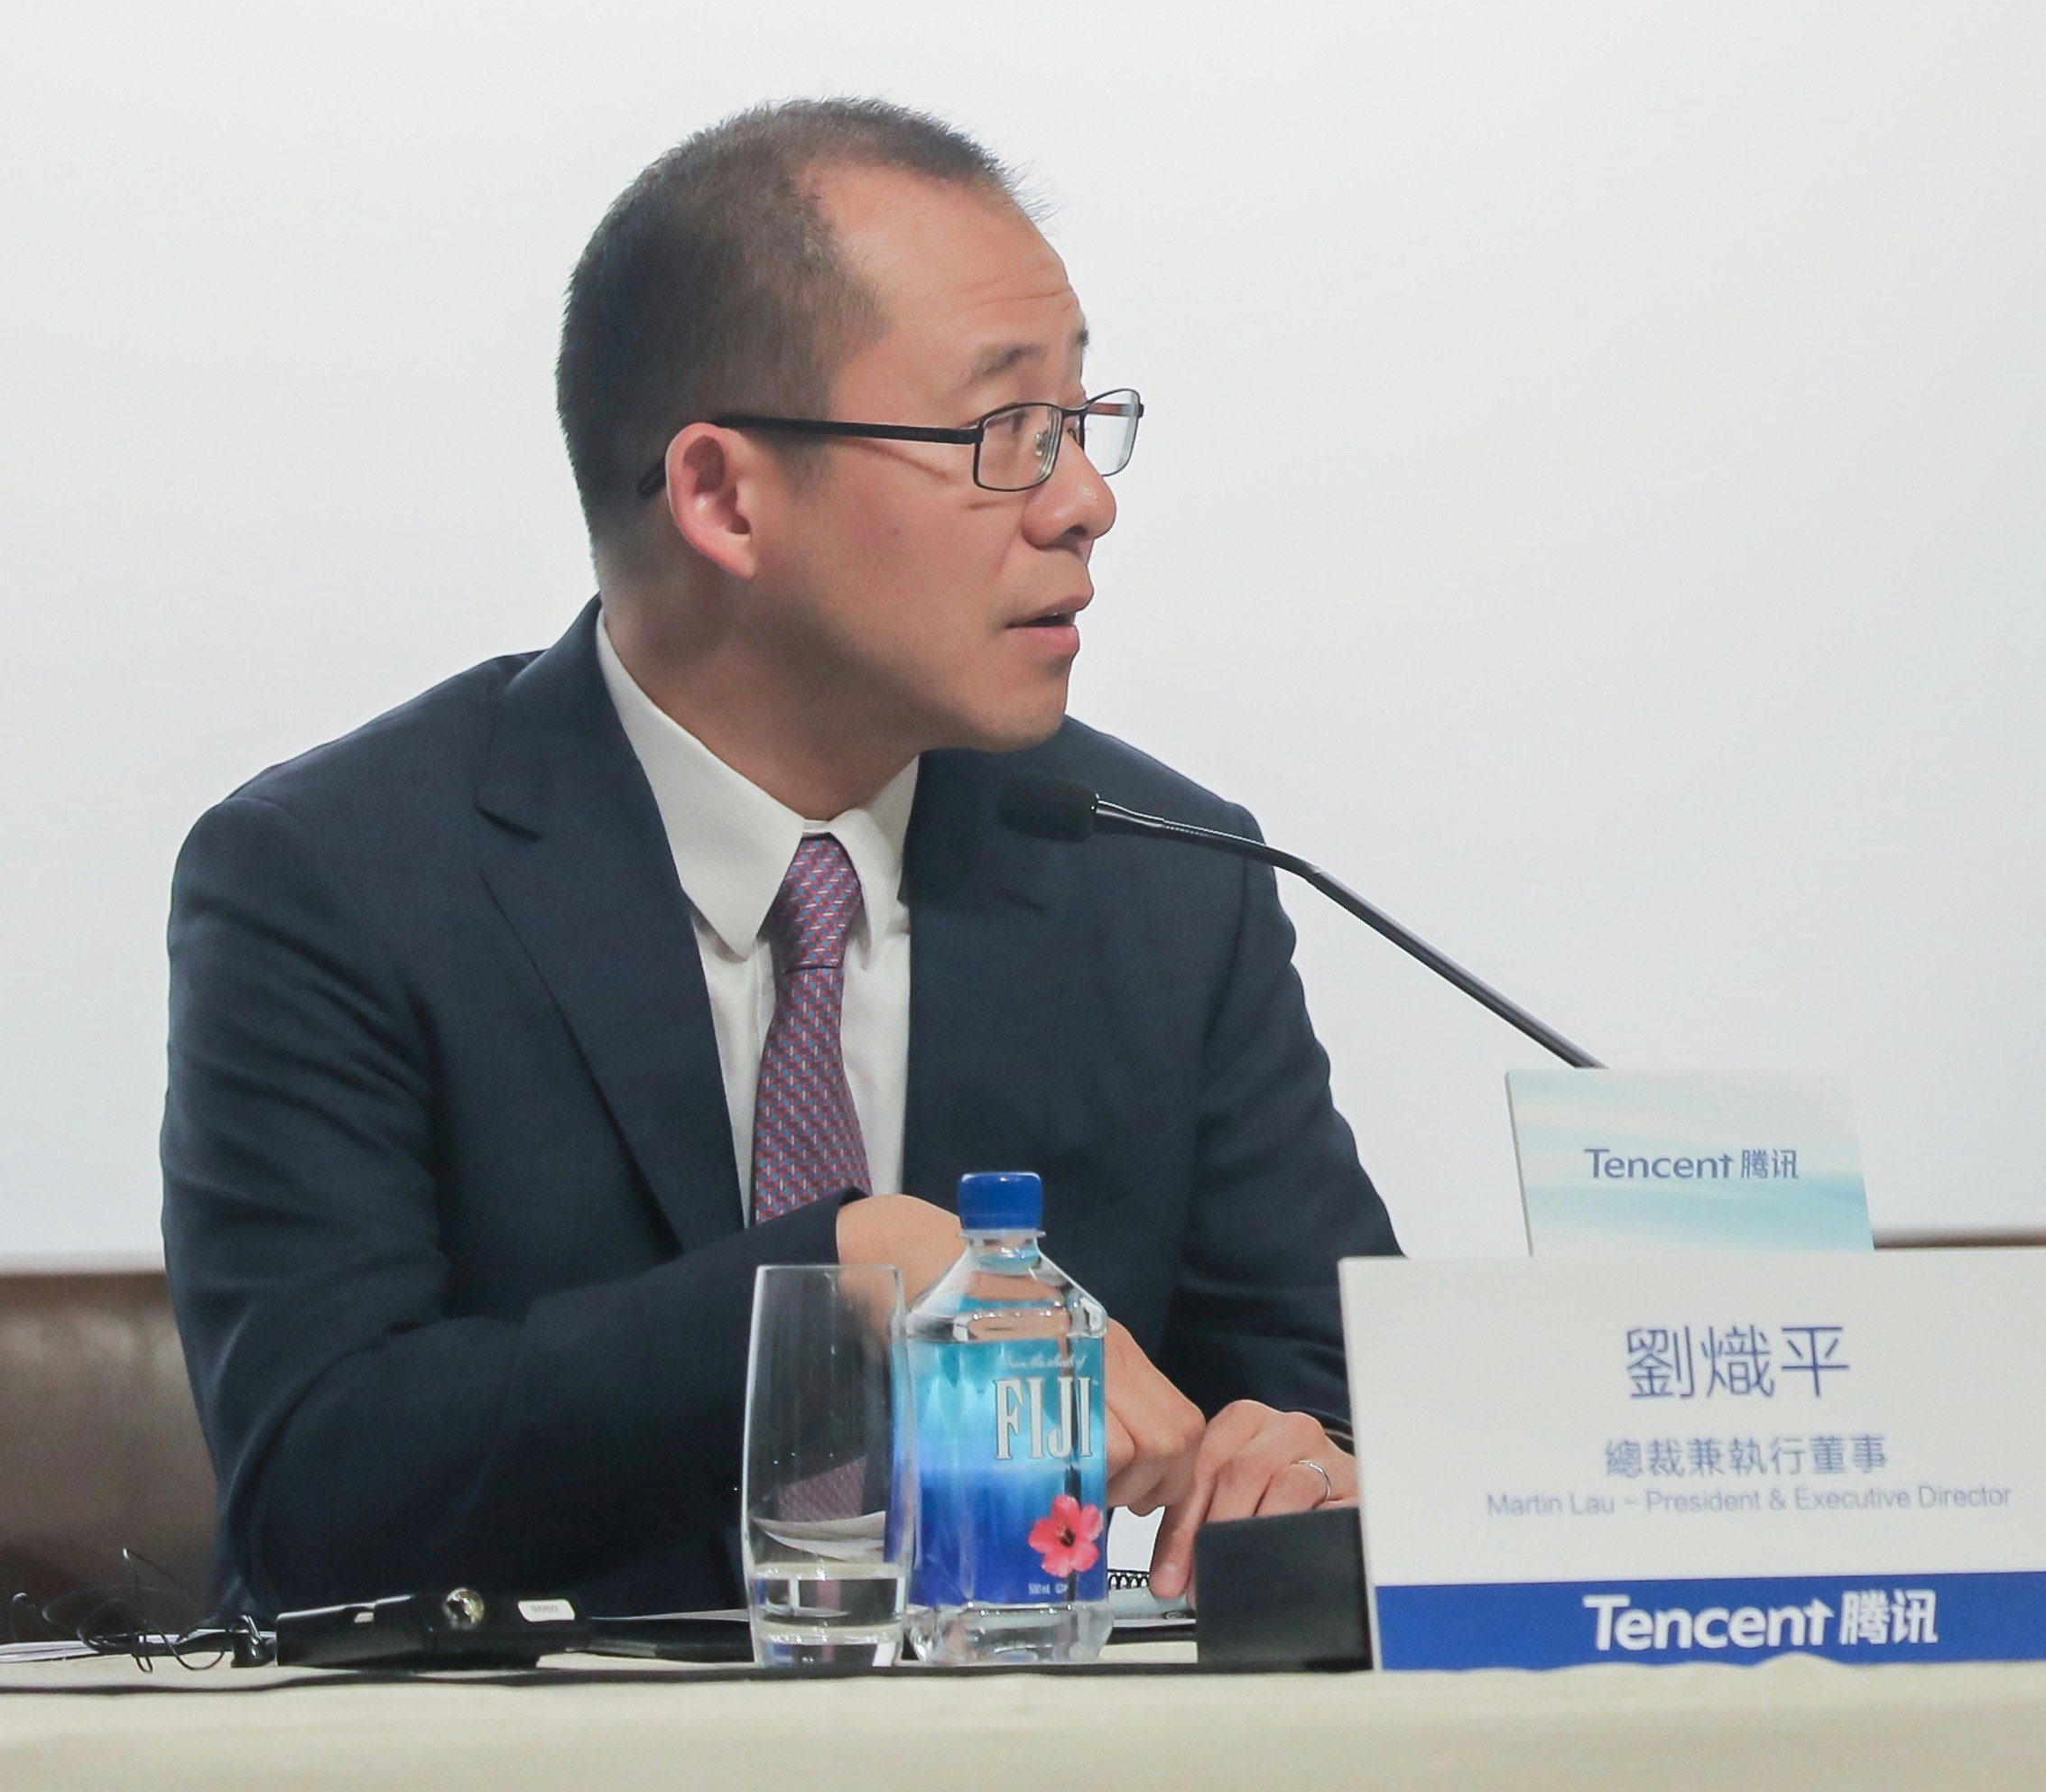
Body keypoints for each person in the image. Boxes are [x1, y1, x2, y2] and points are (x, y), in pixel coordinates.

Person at [163, 101, 1400, 1618]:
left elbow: (1337, 1380)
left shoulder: (1161, 876)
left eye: (1085, 421)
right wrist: (844, 1281)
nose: (1086, 500)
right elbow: (318, 1496)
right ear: (724, 495)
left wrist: (1314, 1456)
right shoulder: (334, 878)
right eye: (1006, 433)